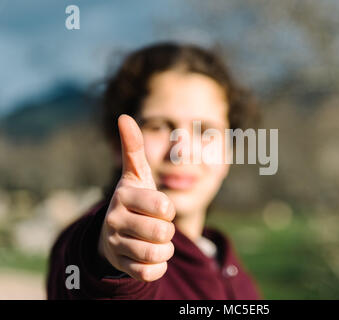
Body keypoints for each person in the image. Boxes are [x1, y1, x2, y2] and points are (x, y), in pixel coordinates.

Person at [46, 42, 261, 299]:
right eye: (159, 126)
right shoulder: (89, 243)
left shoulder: (228, 262)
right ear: (118, 145)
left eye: (205, 131)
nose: (181, 150)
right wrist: (109, 260)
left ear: (229, 152)